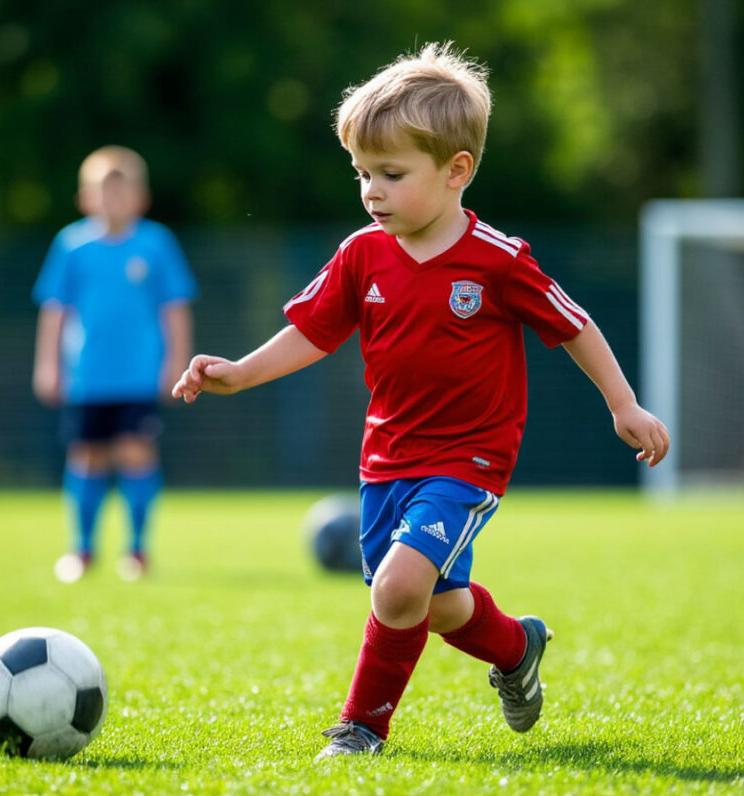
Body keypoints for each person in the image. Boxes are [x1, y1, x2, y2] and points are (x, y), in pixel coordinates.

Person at [172, 43, 669, 758]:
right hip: (387, 458)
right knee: (433, 606)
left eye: (391, 174)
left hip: (470, 457)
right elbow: (312, 331)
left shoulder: (498, 259)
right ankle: (517, 647)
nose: (371, 190)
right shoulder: (360, 254)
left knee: (399, 588)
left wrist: (623, 405)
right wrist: (240, 372)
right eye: (362, 174)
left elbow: (574, 324)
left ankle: (362, 727)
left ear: (455, 171)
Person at [33, 145, 197, 583]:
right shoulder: (71, 245)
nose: (113, 201)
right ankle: (81, 551)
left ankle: (138, 552)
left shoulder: (156, 244)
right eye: (103, 192)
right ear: (85, 198)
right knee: (87, 457)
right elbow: (54, 310)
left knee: (136, 453)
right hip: (87, 376)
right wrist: (47, 365)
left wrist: (176, 361)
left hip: (139, 375)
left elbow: (175, 307)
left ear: (140, 198)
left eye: (122, 192)